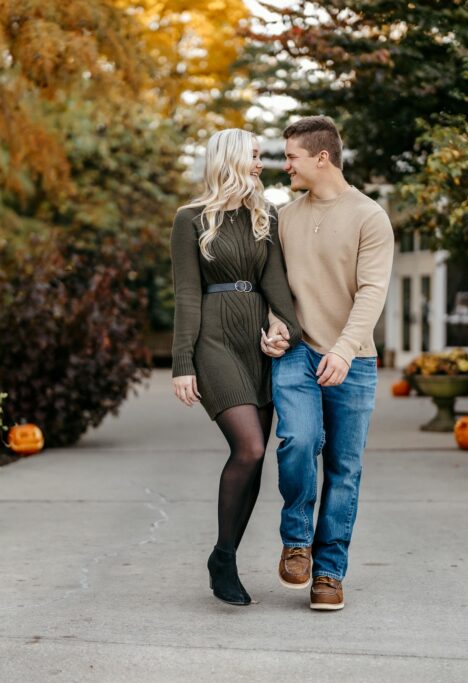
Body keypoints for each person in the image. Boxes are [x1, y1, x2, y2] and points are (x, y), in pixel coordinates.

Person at [261, 116, 394, 611]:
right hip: (297, 351)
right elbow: (273, 288)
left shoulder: (369, 217)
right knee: (297, 440)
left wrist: (342, 349)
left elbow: (372, 292)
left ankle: (329, 571)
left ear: (322, 158)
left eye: (292, 155)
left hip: (352, 359)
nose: (285, 164)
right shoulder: (282, 218)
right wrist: (276, 325)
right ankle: (296, 540)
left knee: (344, 467)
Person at [170, 128, 302, 606]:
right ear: (229, 159)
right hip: (214, 341)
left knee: (258, 454)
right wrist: (182, 362)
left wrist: (286, 327)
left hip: (257, 345)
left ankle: (226, 556)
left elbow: (275, 284)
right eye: (253, 155)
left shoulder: (266, 216)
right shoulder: (190, 219)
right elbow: (186, 293)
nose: (260, 163)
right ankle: (223, 559)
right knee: (247, 447)